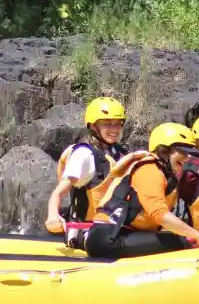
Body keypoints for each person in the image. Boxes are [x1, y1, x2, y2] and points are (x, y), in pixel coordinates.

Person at [83, 122, 199, 259]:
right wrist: (198, 236)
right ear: (164, 150)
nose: (187, 157)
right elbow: (160, 215)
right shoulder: (149, 169)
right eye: (182, 152)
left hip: (123, 235)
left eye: (188, 154)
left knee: (177, 237)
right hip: (108, 238)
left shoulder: (164, 173)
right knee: (179, 241)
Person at [44, 97, 141, 248]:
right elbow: (59, 192)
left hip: (115, 229)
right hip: (90, 234)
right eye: (107, 124)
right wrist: (52, 216)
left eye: (118, 124)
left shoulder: (119, 153)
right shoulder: (84, 155)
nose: (114, 129)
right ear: (93, 126)